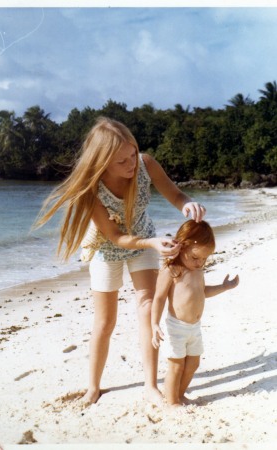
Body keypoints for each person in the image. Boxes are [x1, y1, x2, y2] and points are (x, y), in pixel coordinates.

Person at [36, 116, 206, 405]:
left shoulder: (145, 163)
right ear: (102, 163)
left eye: (132, 154)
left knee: (148, 308)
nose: (131, 164)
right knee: (105, 321)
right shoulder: (91, 190)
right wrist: (152, 243)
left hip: (142, 238)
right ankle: (93, 386)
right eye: (121, 162)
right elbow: (116, 237)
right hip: (106, 248)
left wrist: (186, 203)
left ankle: (151, 386)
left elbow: (174, 194)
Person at [151, 219, 239, 408]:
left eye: (204, 259)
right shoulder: (172, 270)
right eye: (195, 258)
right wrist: (154, 323)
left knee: (193, 364)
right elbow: (158, 298)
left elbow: (202, 292)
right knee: (176, 366)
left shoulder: (198, 270)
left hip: (195, 328)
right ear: (182, 247)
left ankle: (179, 395)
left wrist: (224, 287)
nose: (200, 263)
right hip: (176, 327)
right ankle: (172, 402)